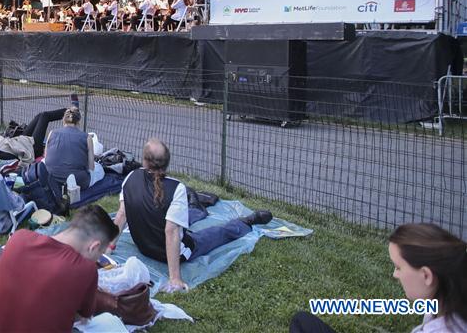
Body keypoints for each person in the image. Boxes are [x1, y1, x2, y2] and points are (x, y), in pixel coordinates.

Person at [114, 139, 271, 291]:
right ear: (167, 162)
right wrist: (175, 278)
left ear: (144, 160)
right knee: (219, 233)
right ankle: (246, 222)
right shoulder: (176, 187)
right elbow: (171, 231)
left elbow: (121, 216)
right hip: (172, 251)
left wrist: (108, 248)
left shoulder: (131, 177)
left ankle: (196, 208)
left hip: (144, 246)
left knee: (174, 217)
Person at [290, 223, 467, 333]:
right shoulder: (447, 301)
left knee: (302, 323)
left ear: (426, 276)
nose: (395, 274)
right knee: (303, 320)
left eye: (398, 267)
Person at [0, 205, 119, 333]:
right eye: (101, 253)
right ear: (94, 246)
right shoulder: (85, 269)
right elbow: (84, 317)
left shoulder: (18, 238)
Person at [43, 106, 104, 191]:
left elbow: (46, 157)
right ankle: (70, 182)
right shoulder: (87, 137)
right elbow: (91, 167)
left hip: (51, 178)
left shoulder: (52, 133)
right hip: (79, 181)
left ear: (63, 119)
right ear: (78, 121)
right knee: (99, 168)